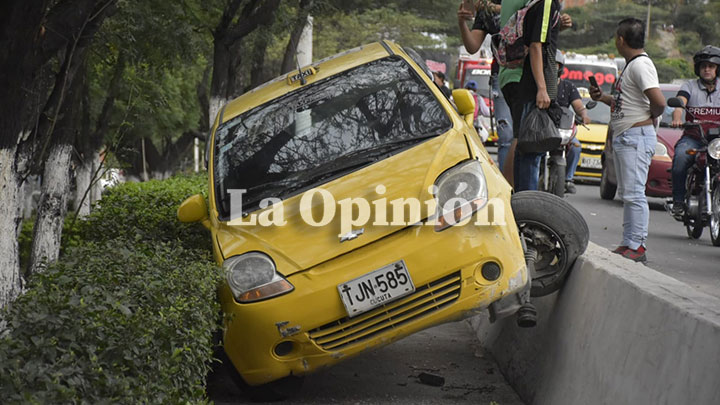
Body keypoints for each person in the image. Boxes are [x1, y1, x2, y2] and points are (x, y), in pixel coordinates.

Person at [589, 18, 665, 264]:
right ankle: (629, 242)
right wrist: (603, 98)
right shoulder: (632, 66)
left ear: (620, 40)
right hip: (629, 135)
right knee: (629, 194)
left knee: (634, 194)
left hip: (636, 137)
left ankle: (638, 245)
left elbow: (659, 102)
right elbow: (627, 102)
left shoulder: (640, 66)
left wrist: (650, 117)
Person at [457, 0, 514, 169]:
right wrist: (462, 22)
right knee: (506, 138)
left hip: (527, 75)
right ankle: (508, 191)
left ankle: (528, 189)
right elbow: (472, 46)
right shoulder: (485, 10)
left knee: (527, 138)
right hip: (500, 75)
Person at [669, 45, 720, 219]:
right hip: (694, 139)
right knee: (681, 158)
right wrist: (677, 118)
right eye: (703, 66)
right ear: (698, 69)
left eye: (711, 66)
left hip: (717, 143)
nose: (707, 69)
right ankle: (677, 202)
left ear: (717, 68)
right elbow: (680, 103)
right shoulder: (689, 86)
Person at [555, 50, 591, 194]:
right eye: (550, 65)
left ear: (561, 67)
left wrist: (583, 115)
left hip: (562, 128)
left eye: (556, 65)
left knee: (576, 146)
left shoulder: (568, 87)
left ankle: (568, 179)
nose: (553, 68)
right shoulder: (540, 85)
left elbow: (578, 106)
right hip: (543, 127)